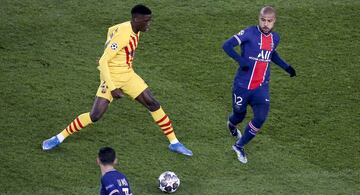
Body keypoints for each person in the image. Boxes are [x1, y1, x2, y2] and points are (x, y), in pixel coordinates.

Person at [42, 4, 192, 156]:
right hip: (111, 77)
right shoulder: (124, 35)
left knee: (152, 103)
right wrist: (112, 87)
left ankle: (174, 143)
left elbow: (110, 31)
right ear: (136, 19)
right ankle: (58, 138)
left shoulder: (132, 28)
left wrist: (108, 51)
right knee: (95, 115)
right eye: (146, 21)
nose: (149, 24)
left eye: (149, 20)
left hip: (127, 75)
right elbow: (102, 62)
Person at [222, 6, 296, 163]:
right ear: (259, 19)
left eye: (269, 21)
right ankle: (232, 124)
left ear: (274, 21)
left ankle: (239, 146)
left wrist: (286, 67)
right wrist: (241, 61)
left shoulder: (275, 38)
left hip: (261, 87)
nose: (266, 24)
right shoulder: (249, 32)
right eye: (263, 20)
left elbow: (271, 54)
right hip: (242, 86)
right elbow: (227, 45)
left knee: (260, 118)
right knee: (238, 115)